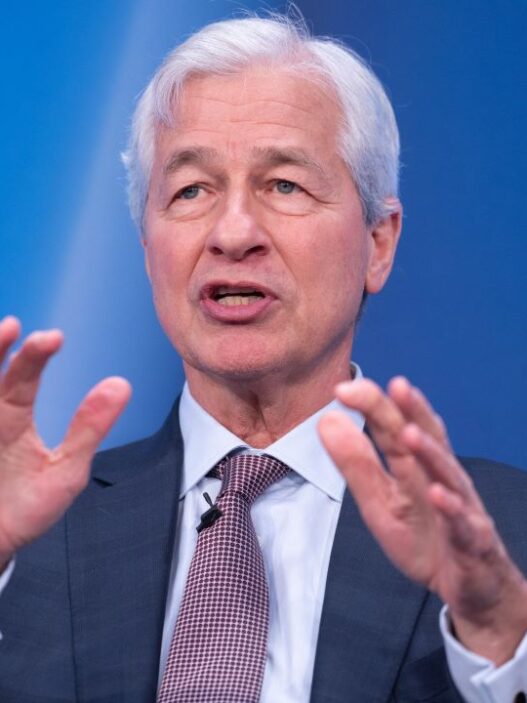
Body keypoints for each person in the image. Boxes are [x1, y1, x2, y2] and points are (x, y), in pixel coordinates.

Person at [0, 13, 526, 703]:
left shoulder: (503, 541)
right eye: (191, 190)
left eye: (284, 185)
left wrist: (498, 633)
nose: (233, 232)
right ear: (147, 251)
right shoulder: (29, 534)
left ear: (378, 242)